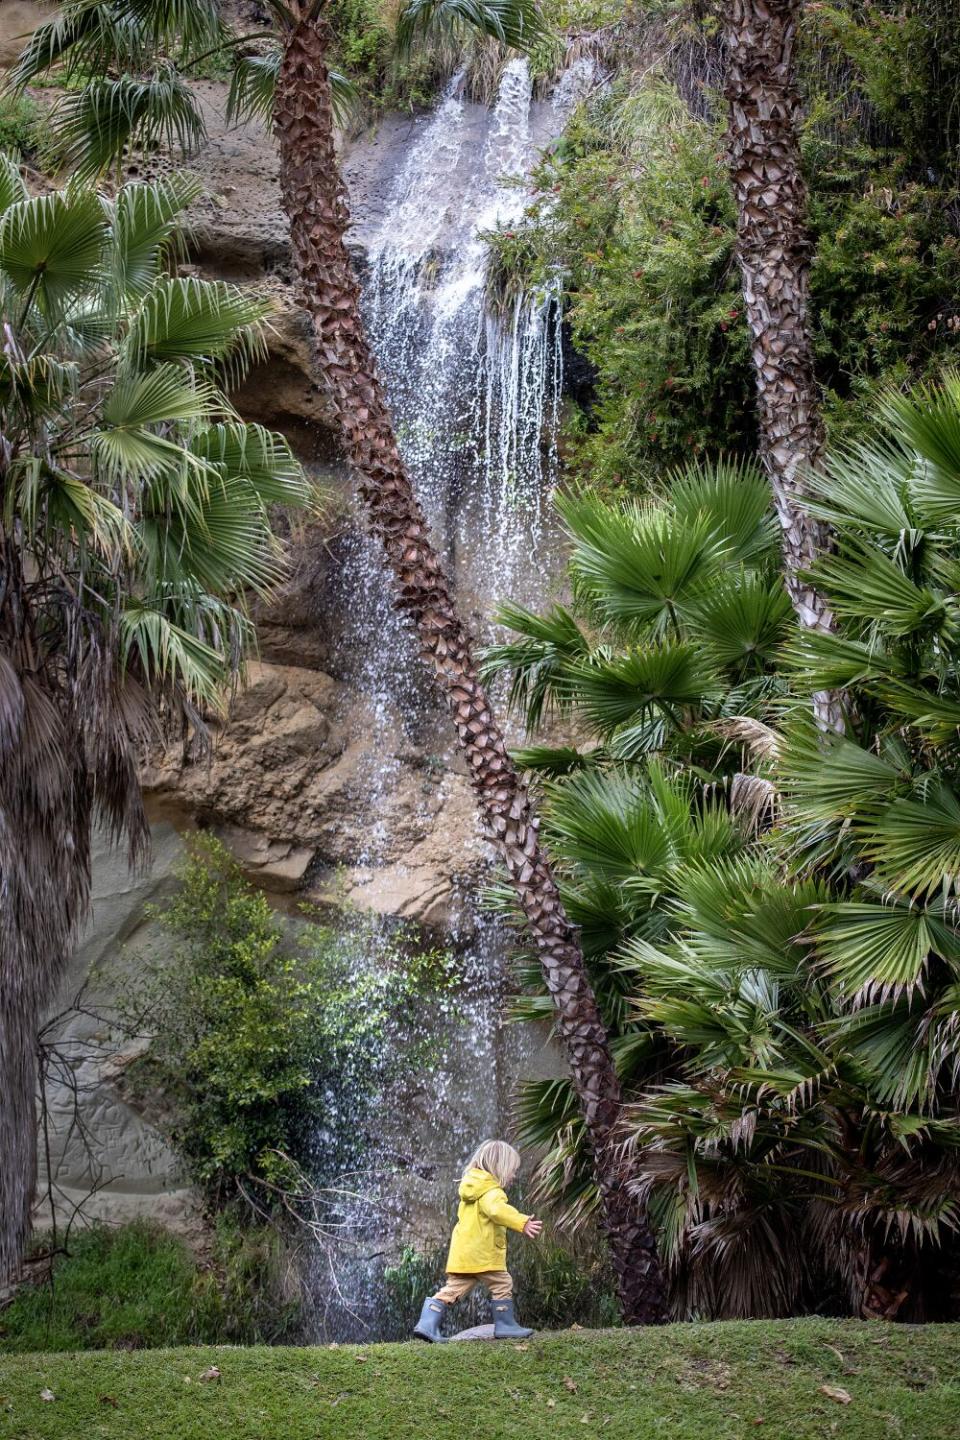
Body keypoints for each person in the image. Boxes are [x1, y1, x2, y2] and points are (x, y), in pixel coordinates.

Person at [413, 1139, 543, 1343]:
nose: (513, 1176)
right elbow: (496, 1210)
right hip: (483, 1254)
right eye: (512, 1170)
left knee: (453, 1290)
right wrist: (522, 1222)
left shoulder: (471, 1187)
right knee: (502, 1283)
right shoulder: (491, 1191)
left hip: (465, 1254)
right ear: (500, 1168)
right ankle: (506, 1325)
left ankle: (427, 1324)